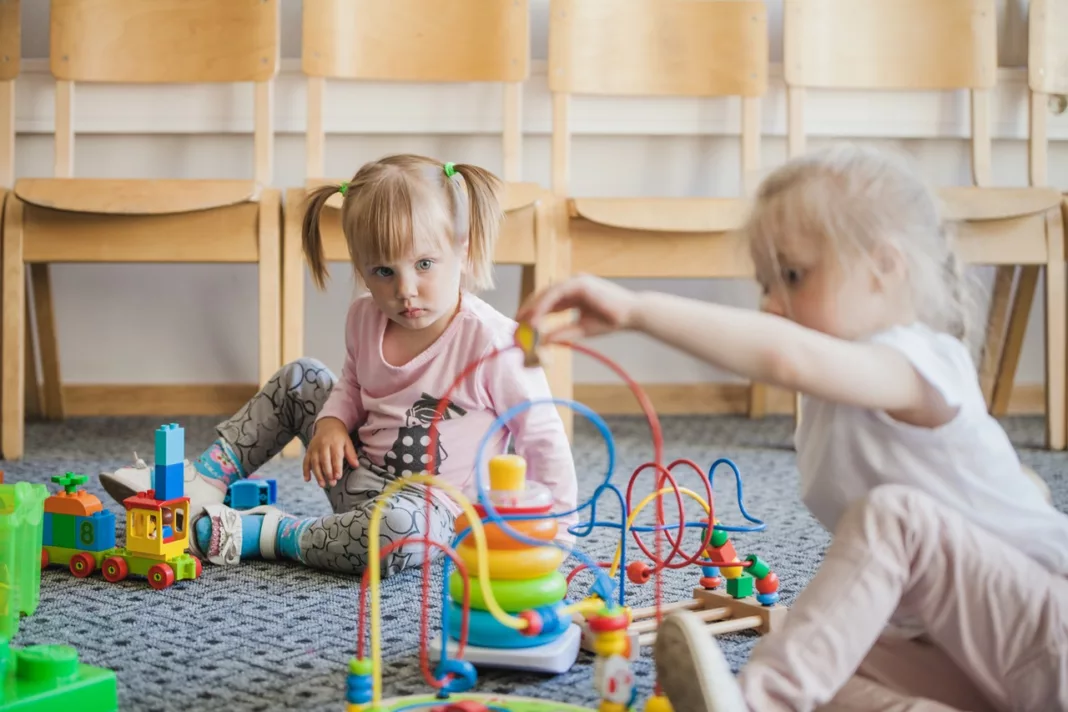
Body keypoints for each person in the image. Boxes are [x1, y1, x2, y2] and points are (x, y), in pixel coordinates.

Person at [516, 143, 1068, 712]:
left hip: (1048, 637)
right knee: (811, 663)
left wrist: (639, 311)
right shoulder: (835, 398)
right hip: (957, 651)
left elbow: (788, 358)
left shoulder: (922, 360)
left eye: (793, 275)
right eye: (765, 282)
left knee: (891, 520)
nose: (773, 303)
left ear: (884, 267)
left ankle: (758, 707)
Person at [101, 154, 577, 577]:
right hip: (351, 474)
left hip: (431, 512)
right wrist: (331, 421)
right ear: (360, 265)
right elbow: (351, 383)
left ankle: (271, 533)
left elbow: (542, 434)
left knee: (395, 529)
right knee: (300, 376)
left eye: (425, 265)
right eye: (383, 272)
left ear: (464, 249)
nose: (405, 290)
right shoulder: (365, 316)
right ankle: (205, 481)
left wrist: (558, 528)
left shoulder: (493, 343)